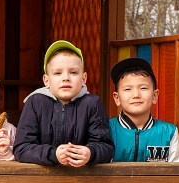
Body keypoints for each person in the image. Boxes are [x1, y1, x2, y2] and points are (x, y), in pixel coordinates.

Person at [13, 39, 114, 168]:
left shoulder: (92, 103)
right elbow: (21, 149)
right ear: (46, 80)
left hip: (83, 181)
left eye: (73, 72)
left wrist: (90, 153)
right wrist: (53, 154)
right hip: (40, 182)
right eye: (58, 73)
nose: (66, 78)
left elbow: (106, 147)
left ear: (84, 79)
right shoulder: (35, 102)